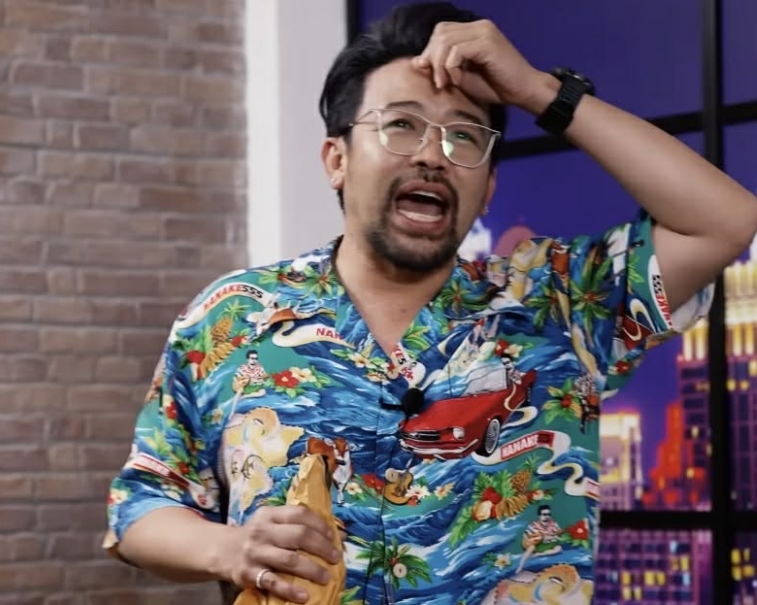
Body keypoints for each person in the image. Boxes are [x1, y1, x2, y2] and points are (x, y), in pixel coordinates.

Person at [103, 3, 757, 604]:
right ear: (336, 159)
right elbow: (140, 508)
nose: (432, 155)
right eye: (401, 125)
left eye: (464, 137)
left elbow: (724, 220)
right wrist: (231, 548)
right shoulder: (232, 316)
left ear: (488, 185)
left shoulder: (559, 302)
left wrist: (540, 91)